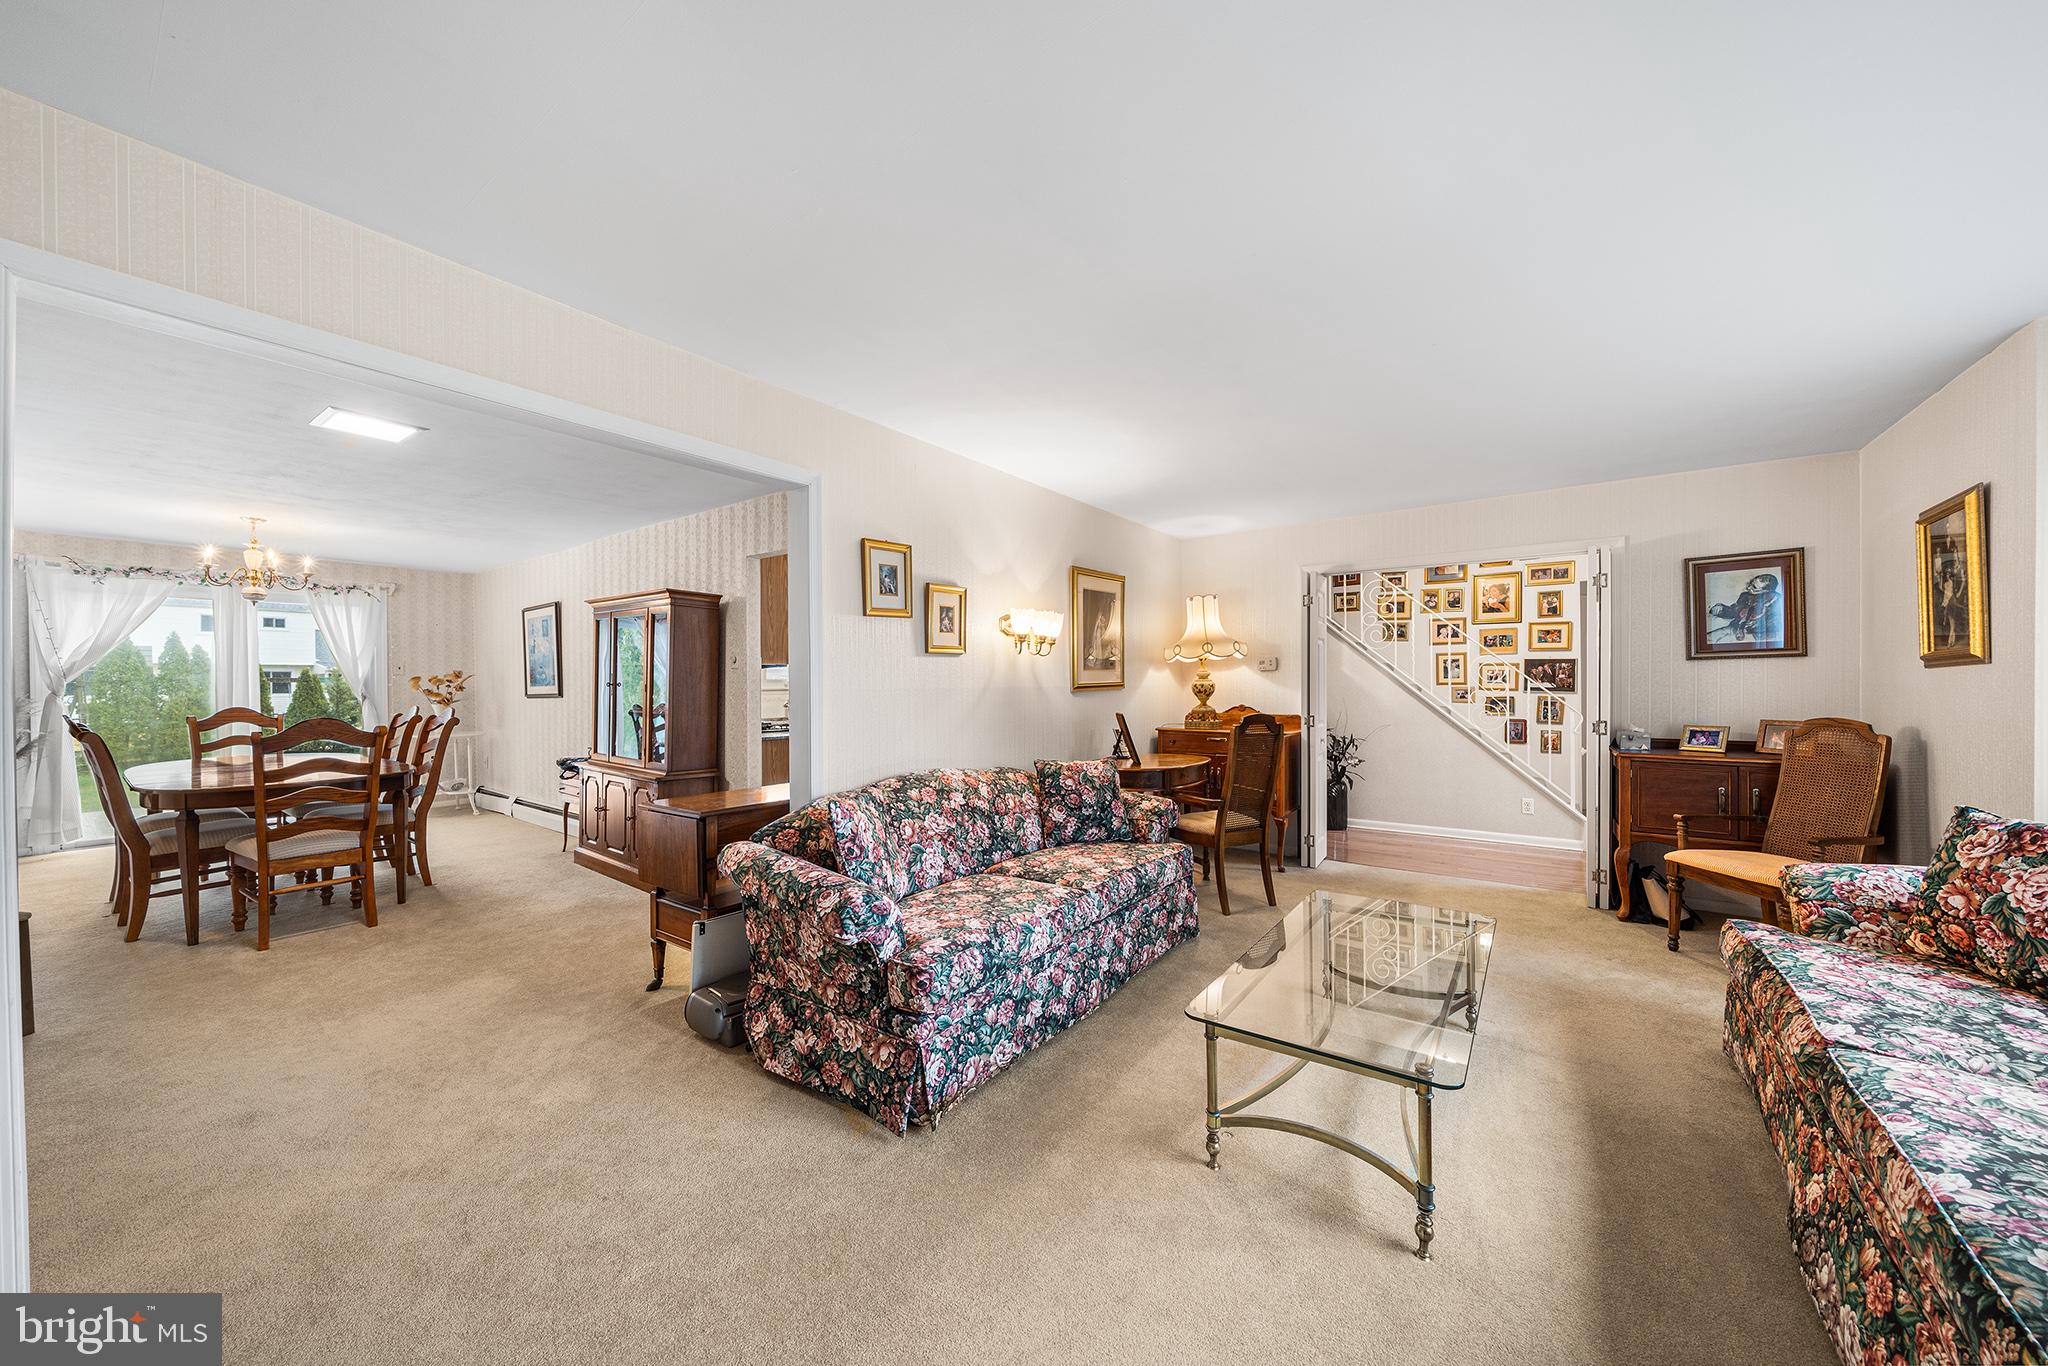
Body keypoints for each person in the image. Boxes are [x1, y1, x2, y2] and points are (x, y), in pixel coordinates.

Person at [1707, 572, 1783, 645]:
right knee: (1708, 638)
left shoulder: (1778, 603)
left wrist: (1747, 634)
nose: (1748, 587)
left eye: (1754, 587)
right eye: (1751, 584)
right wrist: (1722, 610)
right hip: (1734, 628)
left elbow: (1775, 632)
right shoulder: (1745, 596)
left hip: (1755, 637)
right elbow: (1735, 612)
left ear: (1766, 591)